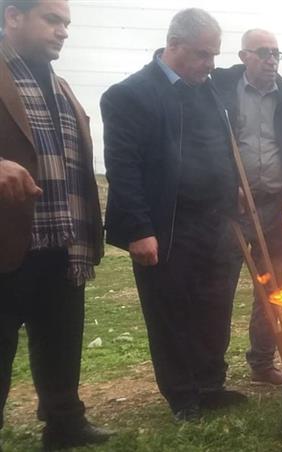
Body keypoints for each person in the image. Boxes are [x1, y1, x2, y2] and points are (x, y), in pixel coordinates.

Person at [101, 8, 244, 421]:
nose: (210, 64)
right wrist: (139, 229)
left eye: (214, 54)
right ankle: (182, 395)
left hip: (216, 223)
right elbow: (123, 168)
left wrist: (232, 186)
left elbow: (222, 148)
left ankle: (210, 384)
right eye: (203, 54)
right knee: (171, 312)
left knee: (214, 307)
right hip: (166, 227)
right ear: (174, 44)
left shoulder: (210, 92)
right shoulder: (130, 95)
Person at [0, 0, 110, 448]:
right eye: (52, 19)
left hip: (63, 241)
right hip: (6, 241)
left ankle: (65, 422)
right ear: (13, 17)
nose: (63, 30)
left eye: (66, 23)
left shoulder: (60, 86)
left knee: (61, 340)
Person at [212, 29, 282, 386]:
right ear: (244, 56)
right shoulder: (217, 89)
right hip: (231, 205)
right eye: (264, 53)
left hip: (275, 205)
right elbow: (205, 142)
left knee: (273, 287)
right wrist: (226, 183)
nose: (272, 60)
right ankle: (212, 371)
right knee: (220, 286)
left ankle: (262, 361)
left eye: (276, 54)